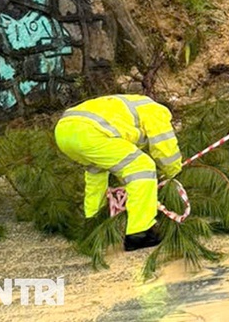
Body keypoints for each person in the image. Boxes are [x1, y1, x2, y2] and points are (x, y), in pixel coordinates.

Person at [54, 94, 182, 251]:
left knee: (96, 174)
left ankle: (94, 224)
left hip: (64, 132)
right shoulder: (156, 110)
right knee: (142, 167)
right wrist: (173, 171)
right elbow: (164, 146)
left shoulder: (130, 104)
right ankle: (140, 233)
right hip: (92, 133)